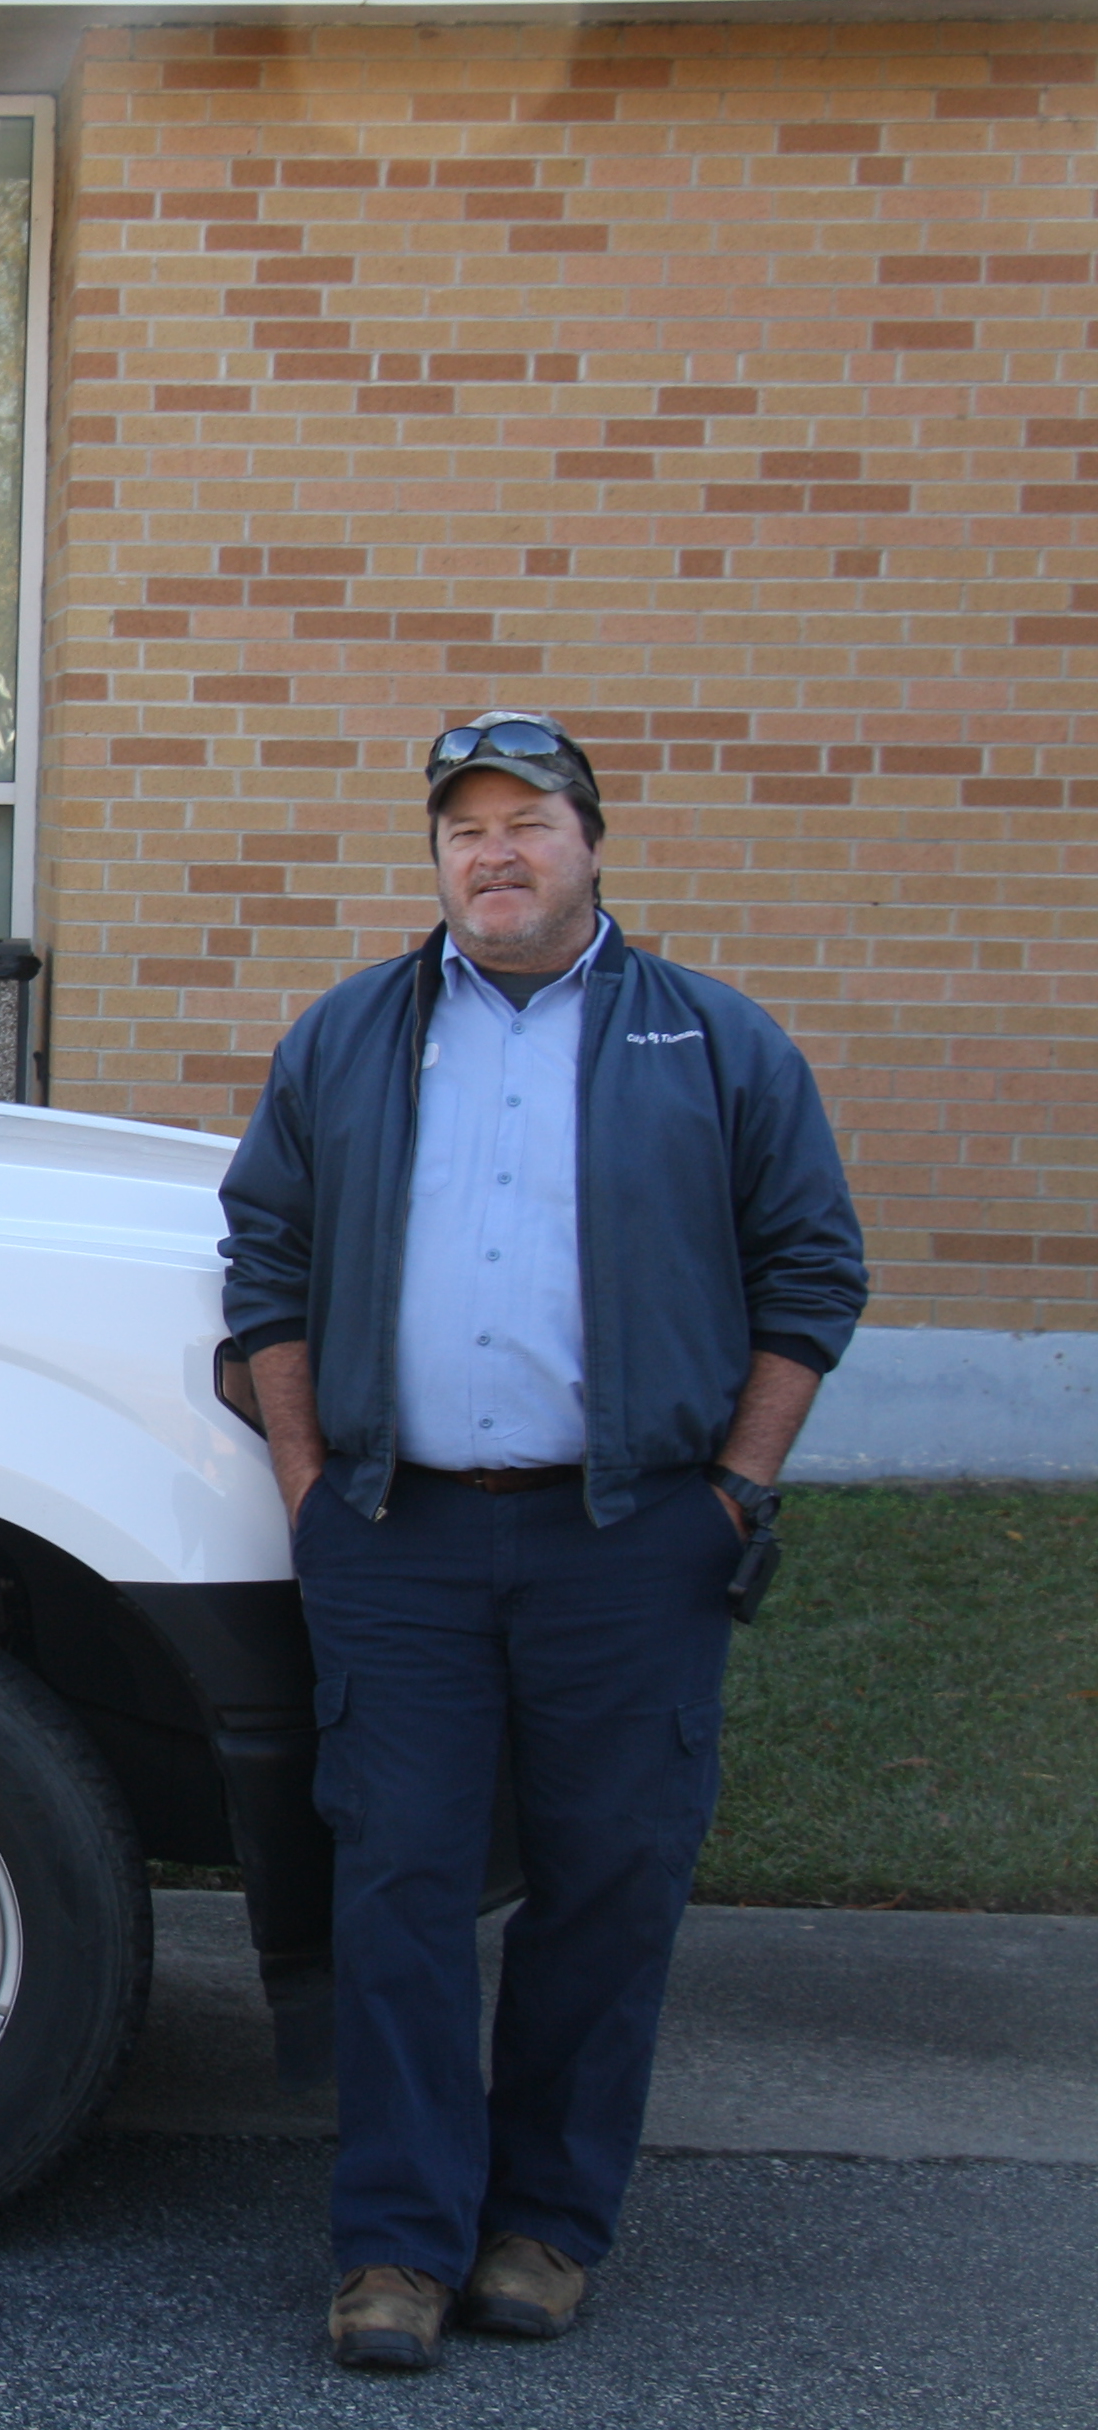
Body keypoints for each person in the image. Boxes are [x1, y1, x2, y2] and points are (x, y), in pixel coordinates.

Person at [219, 708, 864, 2371]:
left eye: (527, 823)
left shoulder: (712, 1043)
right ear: (435, 855)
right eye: (464, 830)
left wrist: (736, 1485)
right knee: (402, 1889)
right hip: (399, 1534)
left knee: (608, 1884)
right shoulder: (350, 1037)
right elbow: (267, 1262)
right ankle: (397, 2248)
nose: (494, 854)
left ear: (592, 840)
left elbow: (812, 1271)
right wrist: (305, 1480)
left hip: (631, 1536)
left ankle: (547, 2227)